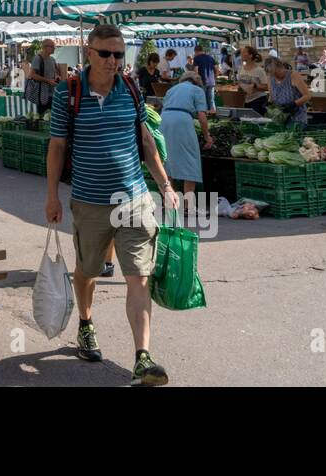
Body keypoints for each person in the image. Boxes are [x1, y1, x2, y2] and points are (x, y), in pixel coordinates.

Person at [46, 23, 179, 386]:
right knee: (88, 270)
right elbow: (57, 146)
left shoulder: (132, 89)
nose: (113, 61)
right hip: (89, 201)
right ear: (89, 52)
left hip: (133, 199)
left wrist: (165, 184)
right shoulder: (66, 94)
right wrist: (52, 195)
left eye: (119, 54)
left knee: (138, 275)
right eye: (105, 53)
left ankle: (142, 357)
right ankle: (86, 325)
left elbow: (146, 141)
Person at [159, 72, 214, 222]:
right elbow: (202, 118)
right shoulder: (197, 90)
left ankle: (168, 202)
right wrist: (207, 136)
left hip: (163, 121)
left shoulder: (172, 89)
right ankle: (189, 207)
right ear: (197, 81)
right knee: (190, 160)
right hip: (182, 121)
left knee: (168, 161)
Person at [267, 55, 313, 126]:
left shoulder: (293, 75)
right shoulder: (270, 78)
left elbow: (307, 96)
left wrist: (293, 104)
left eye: (276, 73)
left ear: (281, 67)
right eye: (272, 74)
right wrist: (268, 103)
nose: (275, 76)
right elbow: (272, 96)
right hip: (279, 118)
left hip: (296, 118)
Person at [26, 39, 63, 116]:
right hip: (42, 93)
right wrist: (48, 81)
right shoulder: (38, 58)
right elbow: (32, 75)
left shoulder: (52, 59)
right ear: (45, 47)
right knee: (42, 116)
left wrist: (57, 77)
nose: (54, 48)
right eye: (52, 47)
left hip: (52, 93)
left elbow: (55, 73)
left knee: (52, 115)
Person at [237, 45, 269, 115]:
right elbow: (241, 84)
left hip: (258, 101)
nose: (241, 54)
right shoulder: (240, 69)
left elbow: (267, 87)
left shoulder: (259, 70)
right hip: (246, 100)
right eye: (241, 52)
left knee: (257, 123)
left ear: (250, 55)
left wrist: (255, 86)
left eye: (244, 52)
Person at [191, 44, 218, 113]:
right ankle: (213, 113)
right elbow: (216, 69)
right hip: (211, 82)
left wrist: (195, 81)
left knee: (202, 99)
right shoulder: (210, 58)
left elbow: (196, 71)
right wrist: (215, 78)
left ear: (196, 51)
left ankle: (205, 115)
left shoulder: (196, 58)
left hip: (202, 82)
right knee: (211, 99)